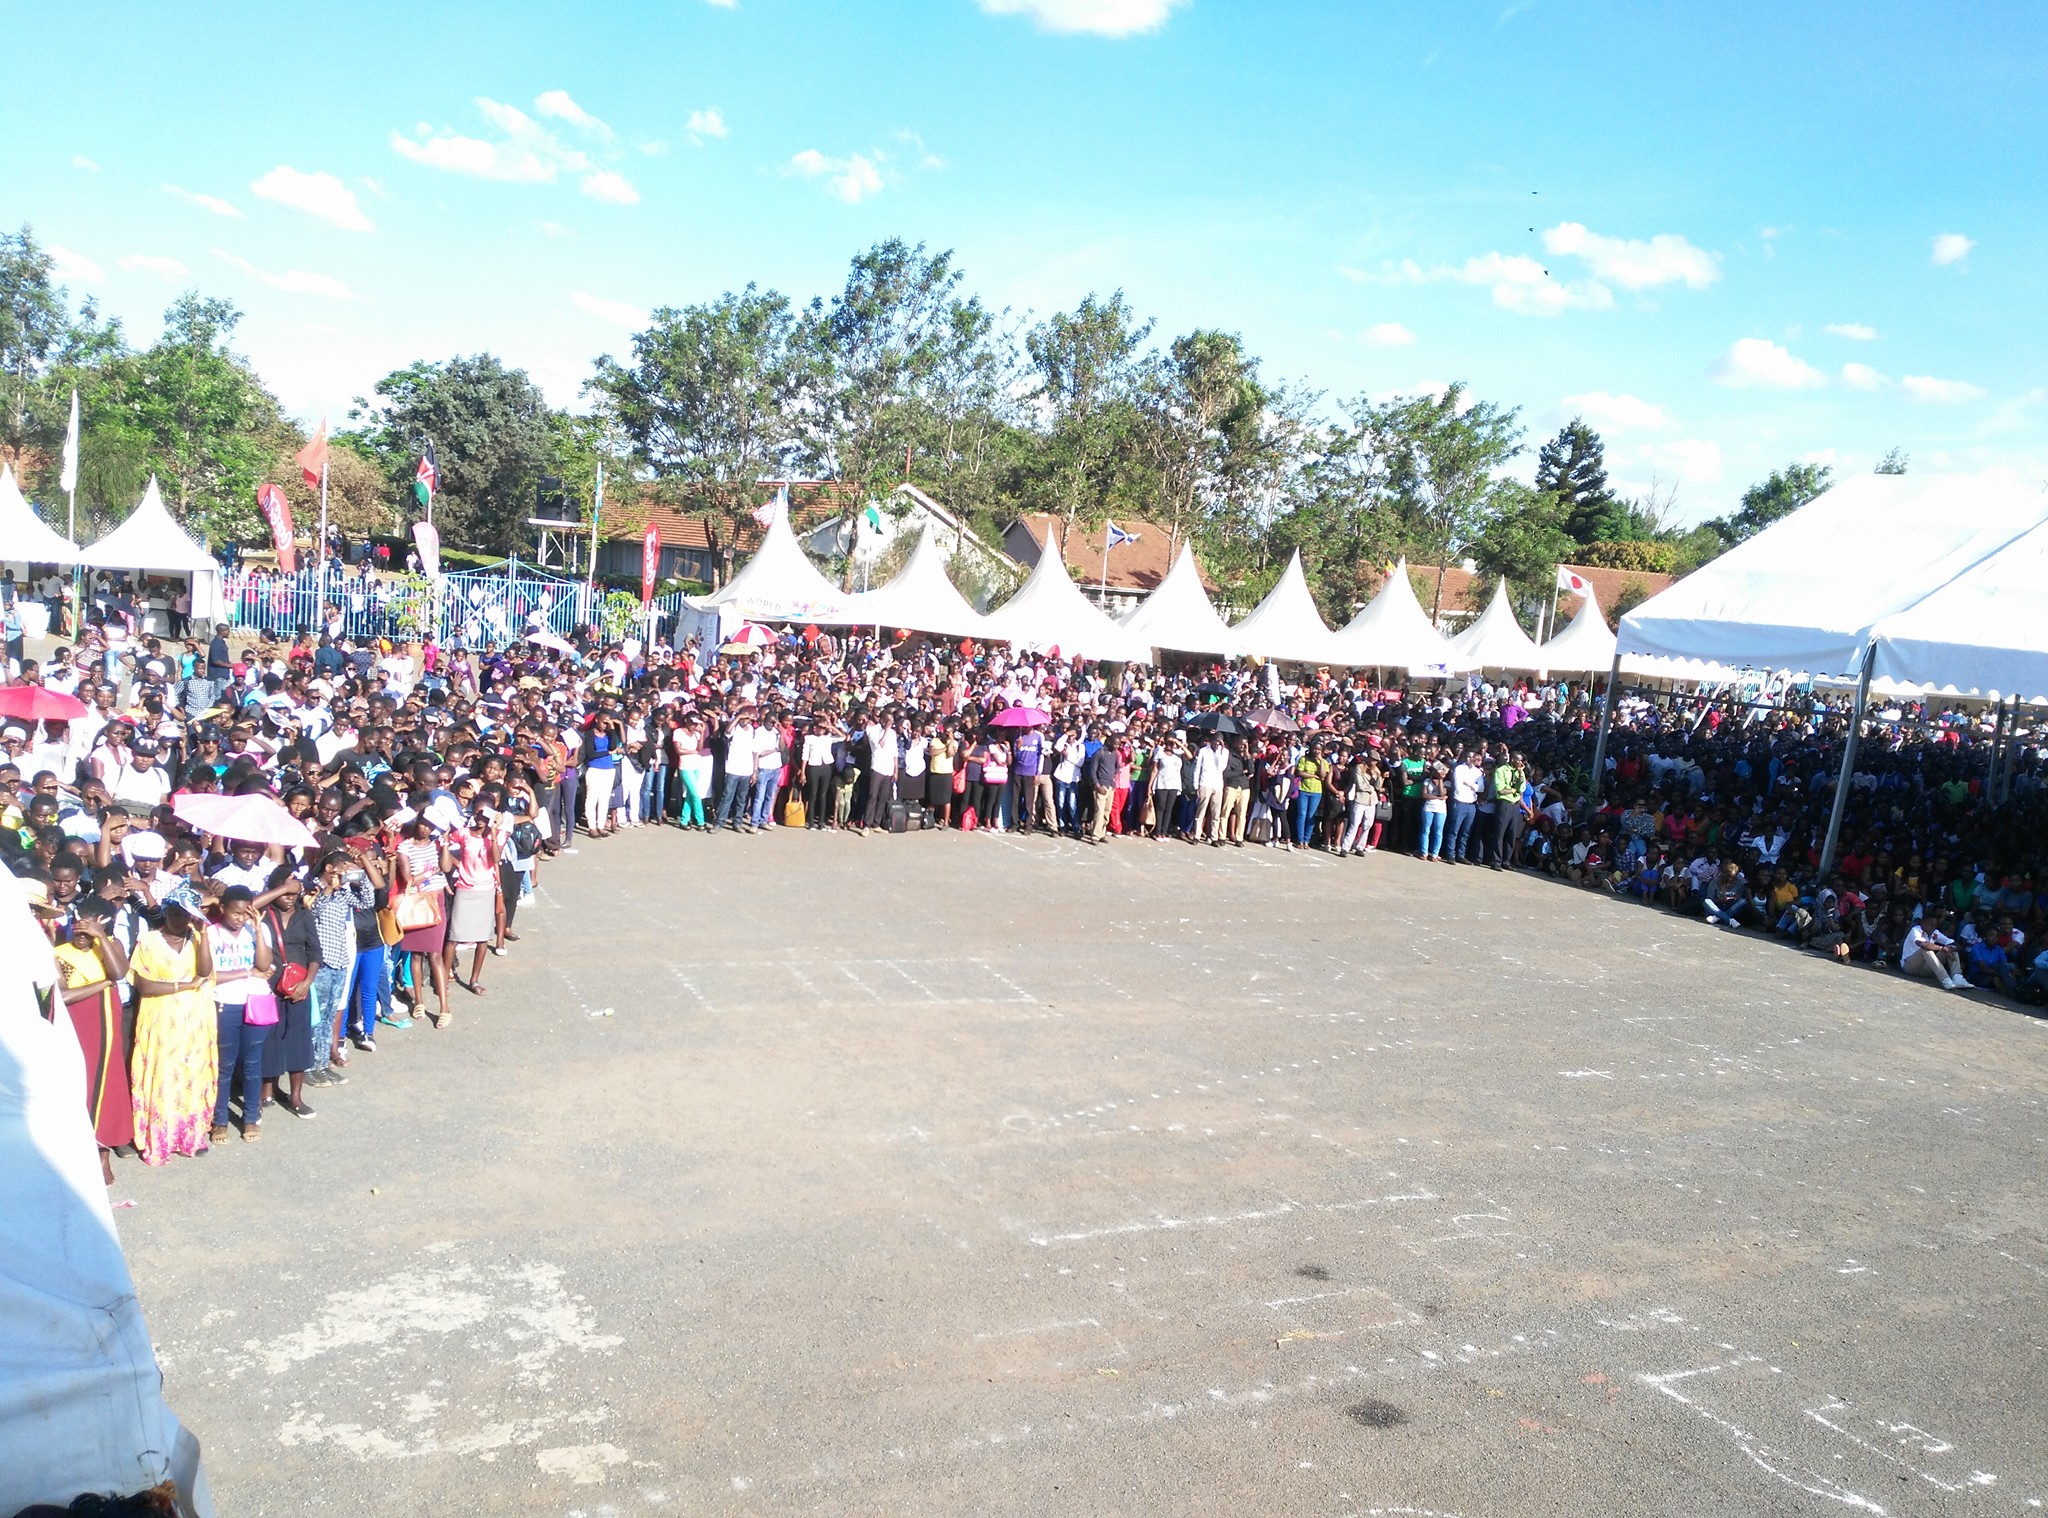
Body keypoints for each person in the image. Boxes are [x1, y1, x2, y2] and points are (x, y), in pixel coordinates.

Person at [46, 895, 135, 1185]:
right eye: (78, 928)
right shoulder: (58, 952)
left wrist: (102, 938)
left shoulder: (110, 947)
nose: (82, 935)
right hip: (76, 1026)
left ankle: (103, 1154)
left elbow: (119, 972)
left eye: (90, 930)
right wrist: (102, 984)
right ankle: (75, 1153)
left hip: (107, 1026)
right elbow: (62, 995)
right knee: (78, 1085)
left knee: (107, 1085)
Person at [128, 884, 218, 1164]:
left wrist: (203, 935)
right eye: (177, 913)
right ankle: (160, 1138)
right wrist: (182, 985)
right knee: (162, 1076)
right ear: (166, 911)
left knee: (192, 1073)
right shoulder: (148, 941)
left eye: (187, 915)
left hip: (194, 1020)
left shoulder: (197, 939)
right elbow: (144, 985)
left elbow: (204, 972)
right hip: (160, 1021)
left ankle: (192, 1135)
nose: (182, 919)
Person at [207, 884, 275, 1142]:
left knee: (252, 1064)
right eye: (235, 913)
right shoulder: (211, 934)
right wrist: (247, 973)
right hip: (225, 1004)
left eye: (246, 913)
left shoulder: (257, 929)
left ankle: (250, 1118)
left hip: (256, 1002)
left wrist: (257, 931)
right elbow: (210, 976)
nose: (240, 919)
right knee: (224, 1065)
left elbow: (264, 964)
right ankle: (220, 1119)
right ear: (222, 909)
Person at [1901, 911, 1968, 990]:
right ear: (1923, 922)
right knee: (1926, 950)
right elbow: (1923, 944)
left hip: (1925, 970)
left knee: (1952, 949)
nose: (1933, 927)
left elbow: (1952, 942)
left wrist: (1950, 949)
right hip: (1910, 967)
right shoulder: (1915, 930)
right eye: (1931, 925)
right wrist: (1942, 949)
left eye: (1935, 925)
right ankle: (1945, 980)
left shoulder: (1935, 933)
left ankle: (1957, 977)